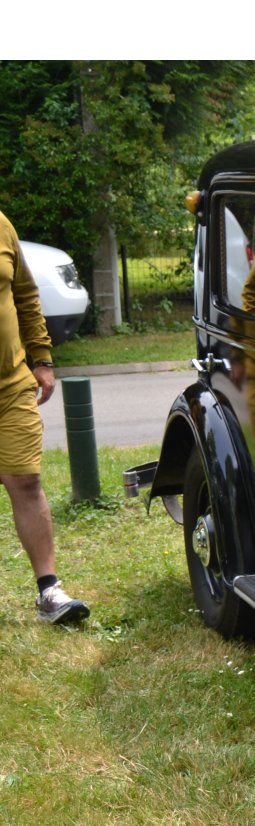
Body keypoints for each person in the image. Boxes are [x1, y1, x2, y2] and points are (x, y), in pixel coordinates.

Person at [0, 209, 89, 624]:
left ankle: (49, 592)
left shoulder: (1, 225)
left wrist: (42, 358)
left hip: (10, 380)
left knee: (26, 479)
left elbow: (25, 294)